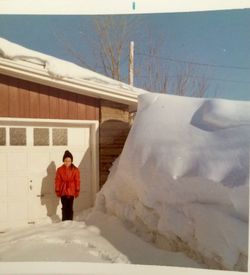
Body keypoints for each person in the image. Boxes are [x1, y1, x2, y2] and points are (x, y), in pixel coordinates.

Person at [55, 150, 80, 221]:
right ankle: (64, 221)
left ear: (71, 161)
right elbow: (57, 180)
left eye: (69, 161)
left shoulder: (75, 170)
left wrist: (77, 189)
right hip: (63, 190)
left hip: (71, 190)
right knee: (64, 206)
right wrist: (57, 189)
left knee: (70, 207)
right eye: (66, 160)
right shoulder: (59, 169)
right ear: (63, 161)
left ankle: (70, 221)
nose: (67, 162)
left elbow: (77, 180)